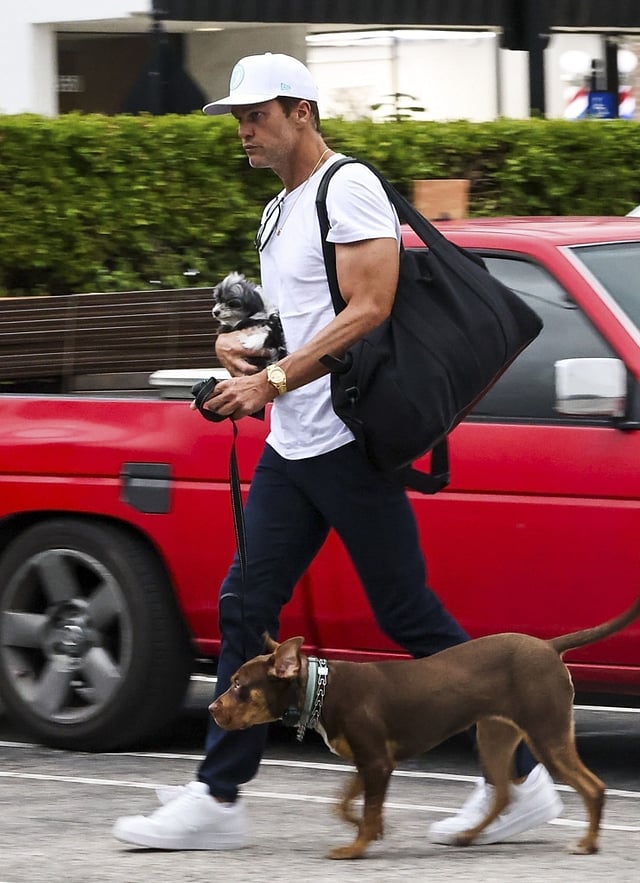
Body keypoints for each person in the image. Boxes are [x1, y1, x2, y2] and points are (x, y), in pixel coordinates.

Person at [113, 52, 561, 851]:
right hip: (297, 442)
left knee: (408, 615)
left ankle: (522, 779)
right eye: (239, 117)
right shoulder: (278, 210)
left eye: (257, 115)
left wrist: (275, 379)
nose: (243, 129)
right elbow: (303, 321)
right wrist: (244, 350)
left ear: (302, 113)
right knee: (245, 605)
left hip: (349, 441)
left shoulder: (344, 186)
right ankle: (219, 797)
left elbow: (372, 306)